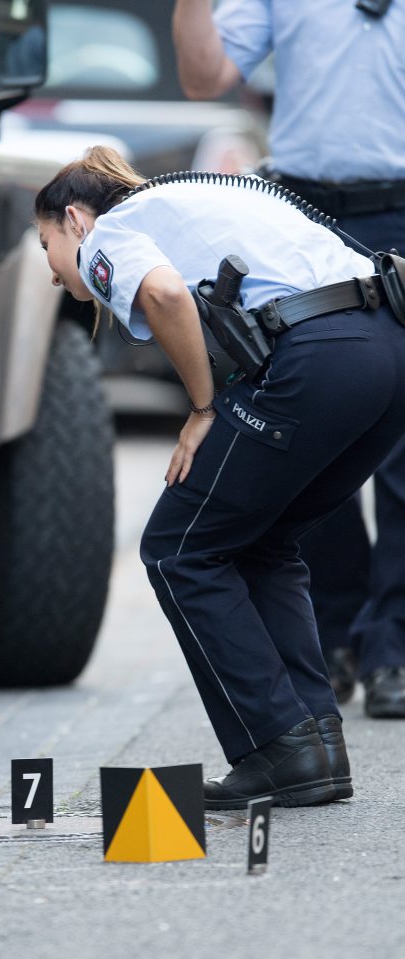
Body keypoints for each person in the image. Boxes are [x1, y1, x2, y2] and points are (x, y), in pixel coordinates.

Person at [34, 144, 405, 807]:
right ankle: (314, 746)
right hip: (388, 347)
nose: (55, 276)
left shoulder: (110, 231)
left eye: (45, 248)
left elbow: (166, 293)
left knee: (179, 546)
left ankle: (278, 745)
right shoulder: (195, 204)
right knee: (261, 538)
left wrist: (202, 407)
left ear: (73, 220)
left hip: (322, 354)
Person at [171, 0, 405, 718]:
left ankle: (393, 646)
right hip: (305, 219)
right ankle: (333, 633)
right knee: (313, 434)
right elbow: (206, 76)